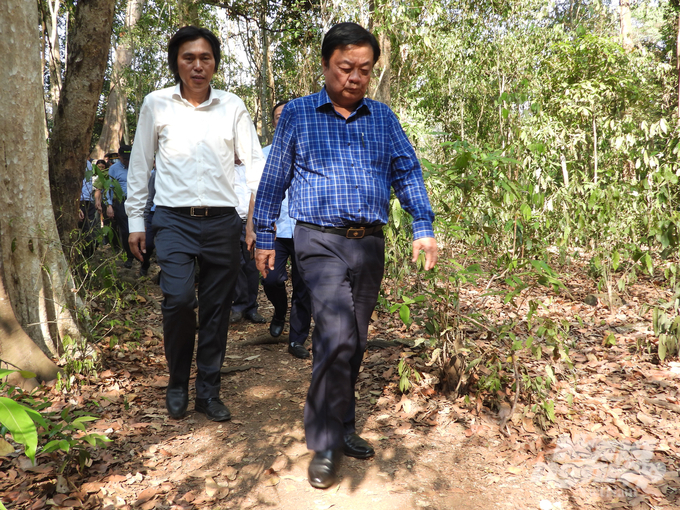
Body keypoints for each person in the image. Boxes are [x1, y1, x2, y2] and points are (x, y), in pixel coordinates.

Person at [253, 22, 438, 489]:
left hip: (369, 242)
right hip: (317, 240)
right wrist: (265, 237)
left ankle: (345, 423)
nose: (354, 77)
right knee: (335, 333)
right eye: (345, 67)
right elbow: (273, 180)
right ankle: (325, 441)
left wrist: (423, 226)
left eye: (364, 70)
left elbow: (408, 172)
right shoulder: (296, 114)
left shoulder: (384, 118)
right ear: (325, 65)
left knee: (353, 338)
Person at [126, 26, 265, 422]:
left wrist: (253, 222)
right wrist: (137, 221)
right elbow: (140, 166)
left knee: (218, 309)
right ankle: (176, 382)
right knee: (180, 301)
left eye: (205, 58)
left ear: (215, 63)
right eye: (189, 58)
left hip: (222, 221)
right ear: (177, 63)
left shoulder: (232, 105)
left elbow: (254, 166)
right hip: (172, 220)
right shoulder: (156, 104)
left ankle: (208, 390)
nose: (198, 65)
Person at [260, 100, 312, 359]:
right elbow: (255, 193)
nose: (284, 119)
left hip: (306, 229)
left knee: (304, 286)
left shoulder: (310, 148)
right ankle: (280, 311)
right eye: (279, 115)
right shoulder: (263, 154)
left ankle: (297, 339)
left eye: (288, 115)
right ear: (273, 122)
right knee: (270, 279)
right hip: (275, 230)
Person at [229, 156, 266, 324]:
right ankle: (237, 306)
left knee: (252, 267)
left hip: (252, 222)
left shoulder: (254, 165)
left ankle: (251, 307)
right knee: (236, 265)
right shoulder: (223, 164)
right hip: (229, 222)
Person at [108, 144, 135, 268]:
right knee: (126, 230)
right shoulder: (114, 169)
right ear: (119, 156)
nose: (128, 161)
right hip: (121, 202)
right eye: (125, 158)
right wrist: (109, 205)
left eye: (129, 158)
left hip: (137, 201)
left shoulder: (137, 166)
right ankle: (130, 256)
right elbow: (109, 188)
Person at [78, 160, 97, 258]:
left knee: (91, 234)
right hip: (78, 202)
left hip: (88, 201)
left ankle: (87, 259)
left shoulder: (88, 164)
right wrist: (76, 206)